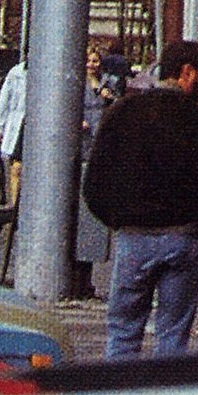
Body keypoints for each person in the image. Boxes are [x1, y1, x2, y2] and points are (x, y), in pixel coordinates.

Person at [81, 38, 198, 361]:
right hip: (185, 239)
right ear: (185, 73)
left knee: (124, 332)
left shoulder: (122, 115)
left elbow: (95, 183)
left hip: (133, 239)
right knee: (173, 337)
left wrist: (119, 221)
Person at [72, 50, 128, 298]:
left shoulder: (109, 84)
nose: (91, 65)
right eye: (88, 60)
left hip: (99, 154)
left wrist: (109, 99)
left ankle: (87, 279)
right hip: (79, 153)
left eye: (95, 61)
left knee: (93, 225)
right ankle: (76, 279)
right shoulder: (74, 85)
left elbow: (120, 110)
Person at [0, 44, 26, 207]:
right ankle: (14, 206)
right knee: (16, 168)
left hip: (38, 127)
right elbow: (4, 101)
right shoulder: (17, 73)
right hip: (19, 125)